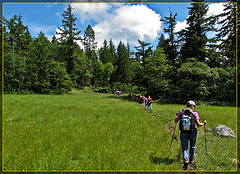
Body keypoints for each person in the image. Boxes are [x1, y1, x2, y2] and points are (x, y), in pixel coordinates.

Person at [174, 100, 206, 170]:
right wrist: (203, 123)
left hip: (183, 132)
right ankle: (191, 159)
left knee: (184, 146)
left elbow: (175, 121)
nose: (194, 107)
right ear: (192, 106)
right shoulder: (195, 113)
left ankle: (185, 160)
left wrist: (177, 115)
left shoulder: (181, 112)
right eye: (194, 106)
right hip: (193, 132)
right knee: (192, 145)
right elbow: (198, 124)